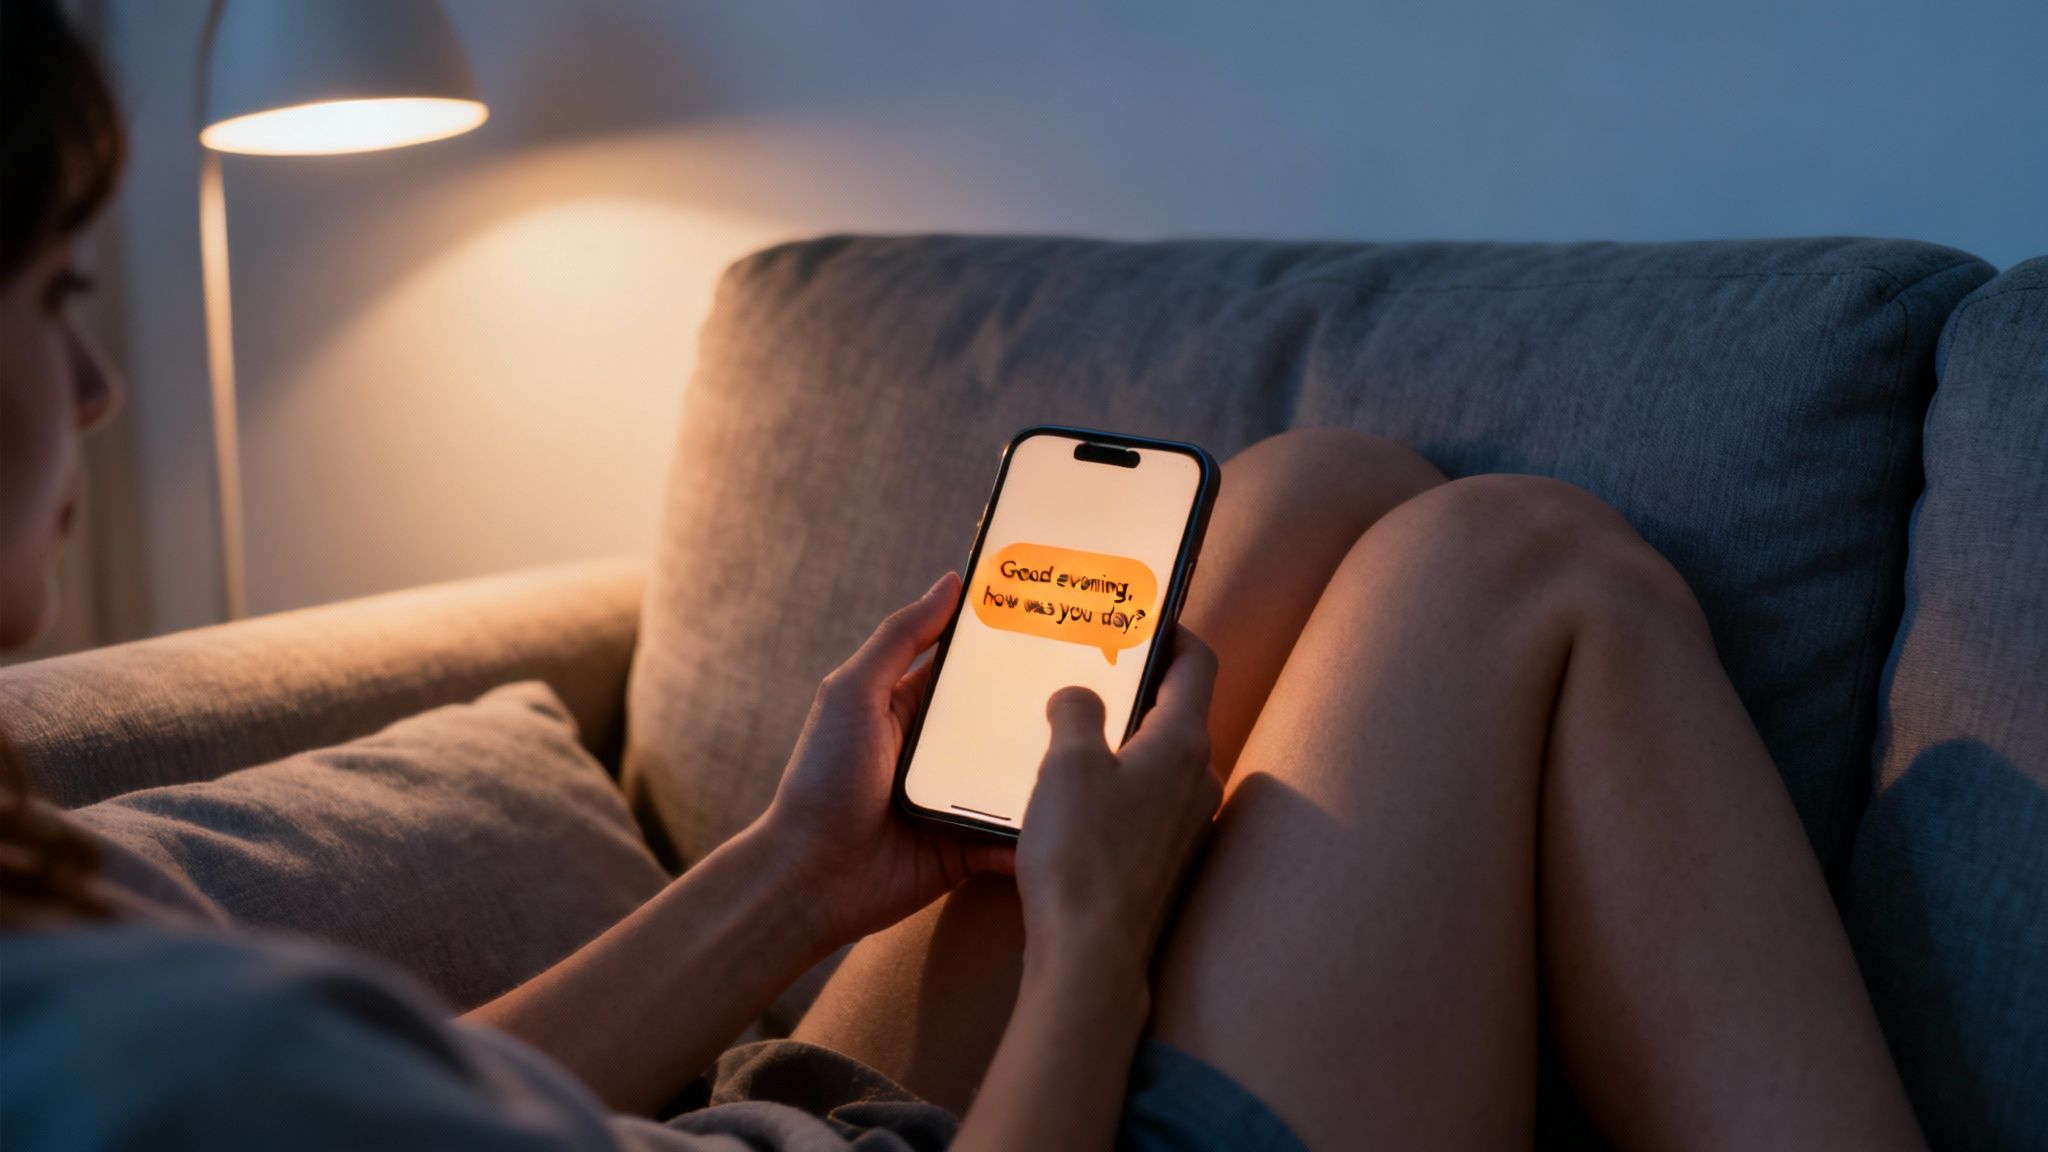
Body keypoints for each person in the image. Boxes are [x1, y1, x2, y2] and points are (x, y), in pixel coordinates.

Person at [0, 2, 1927, 1148]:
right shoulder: (106, 1046)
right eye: (53, 301)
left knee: (1315, 486)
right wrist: (1094, 933)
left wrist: (798, 869)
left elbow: (408, 1110)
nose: (96, 391)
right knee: (1526, 571)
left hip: (774, 1117)